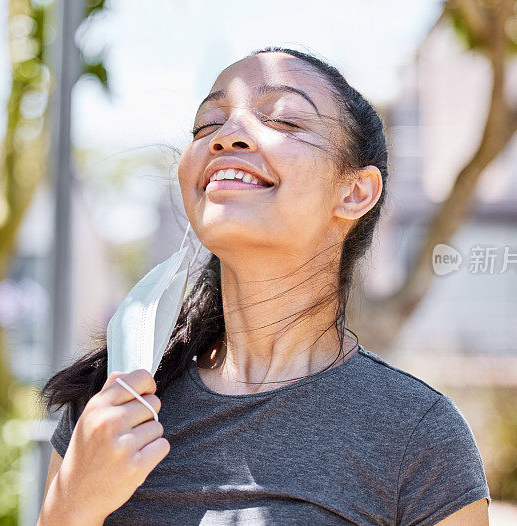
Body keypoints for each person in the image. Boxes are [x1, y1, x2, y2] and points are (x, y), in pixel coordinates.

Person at [37, 47, 490, 526]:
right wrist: (72, 506)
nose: (227, 136)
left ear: (354, 192)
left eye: (284, 120)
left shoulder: (417, 436)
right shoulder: (113, 401)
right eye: (207, 125)